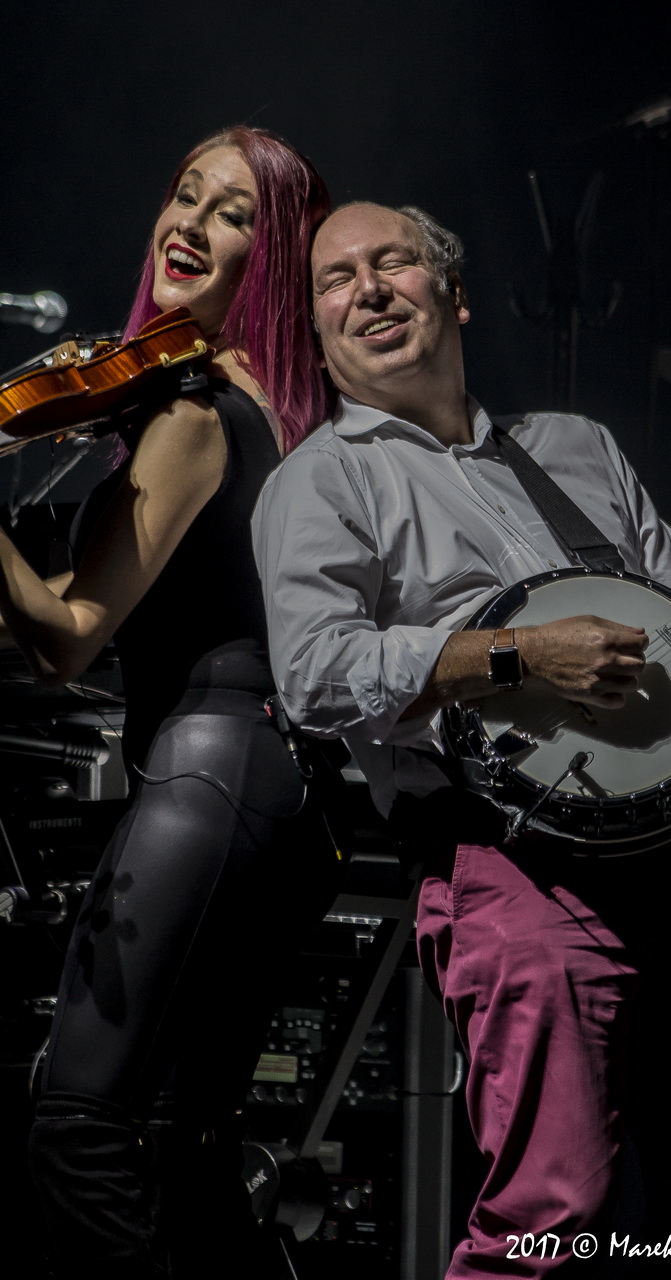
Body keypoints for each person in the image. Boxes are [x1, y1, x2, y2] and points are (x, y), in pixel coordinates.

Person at [252, 201, 671, 1276]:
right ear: (318, 329)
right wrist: (518, 654)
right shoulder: (321, 478)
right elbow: (316, 674)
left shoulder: (575, 447)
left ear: (455, 294)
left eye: (393, 261)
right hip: (509, 868)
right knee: (550, 1214)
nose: (368, 289)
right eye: (335, 280)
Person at [0, 127, 335, 1278]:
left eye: (232, 212)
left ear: (274, 256)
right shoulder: (285, 419)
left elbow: (65, 638)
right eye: (185, 194)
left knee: (79, 1127)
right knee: (191, 1154)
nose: (188, 221)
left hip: (208, 769)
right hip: (283, 797)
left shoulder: (192, 417)